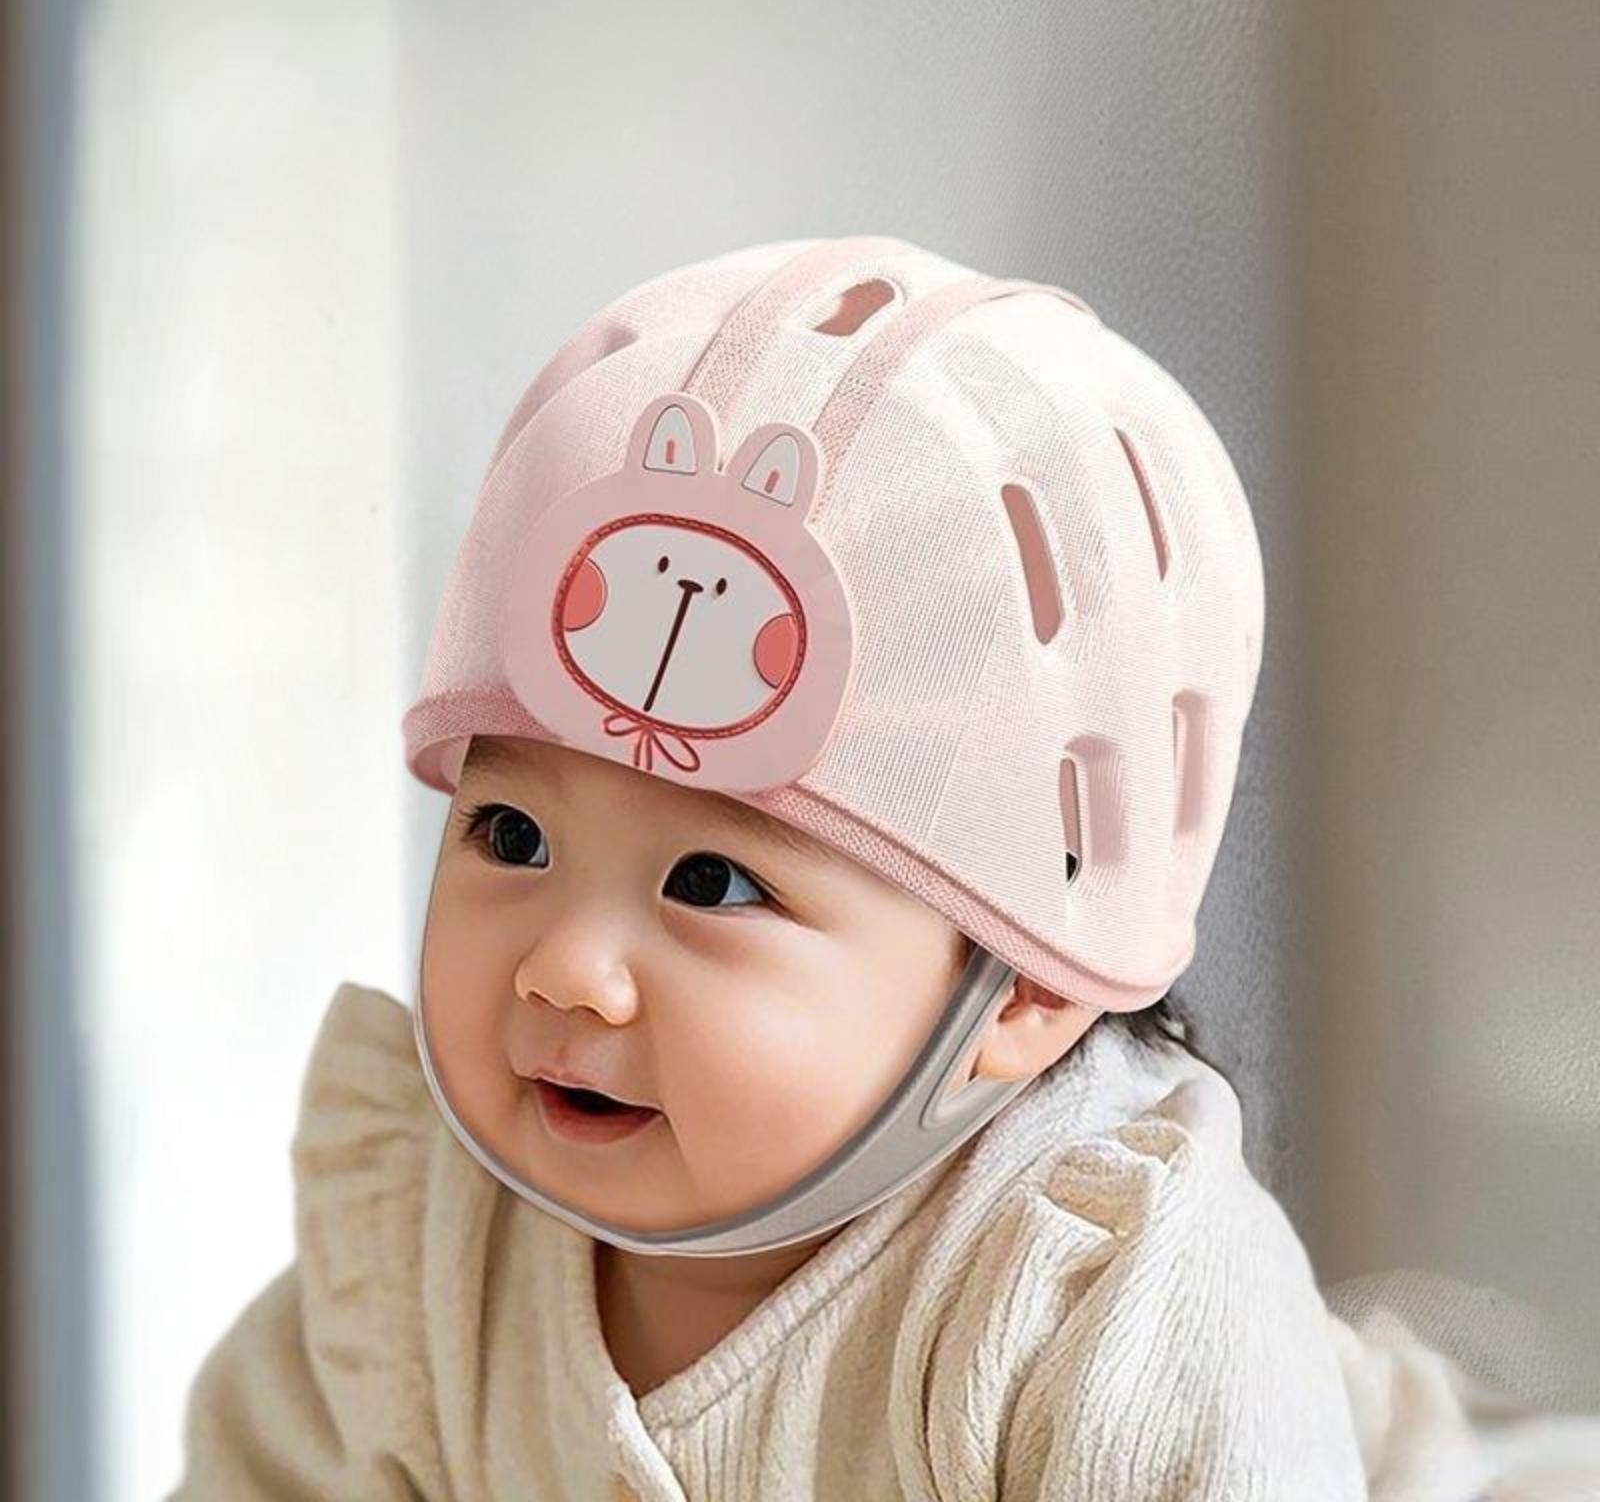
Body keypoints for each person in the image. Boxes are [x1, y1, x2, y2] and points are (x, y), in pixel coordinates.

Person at [166, 235, 1599, 1501]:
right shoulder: (419, 1252)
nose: (567, 968)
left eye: (712, 884)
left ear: (1024, 989)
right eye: (512, 836)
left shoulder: (1097, 1298)